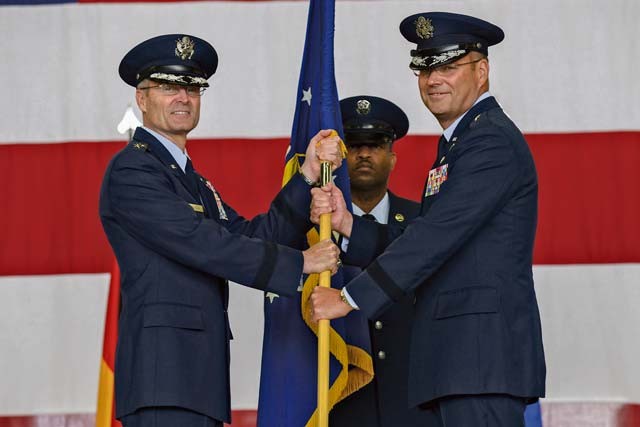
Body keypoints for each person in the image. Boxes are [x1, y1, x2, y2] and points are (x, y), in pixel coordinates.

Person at [309, 12, 546, 426]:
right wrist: (350, 226)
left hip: (479, 364)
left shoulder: (488, 141)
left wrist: (348, 299)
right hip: (459, 365)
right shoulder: (461, 142)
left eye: (449, 66)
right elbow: (428, 238)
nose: (434, 79)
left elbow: (435, 238)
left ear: (482, 71)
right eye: (425, 68)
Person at [99, 34, 342, 427]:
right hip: (164, 380)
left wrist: (308, 175)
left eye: (192, 88)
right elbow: (204, 243)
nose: (183, 97)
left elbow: (251, 235)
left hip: (195, 381)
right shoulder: (134, 171)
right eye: (167, 87)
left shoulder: (190, 179)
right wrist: (300, 263)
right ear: (142, 99)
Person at [329, 95, 428, 427]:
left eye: (375, 145)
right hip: (342, 402)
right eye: (354, 145)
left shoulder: (424, 223)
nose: (364, 154)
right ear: (340, 157)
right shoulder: (316, 232)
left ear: (393, 157)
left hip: (413, 401)